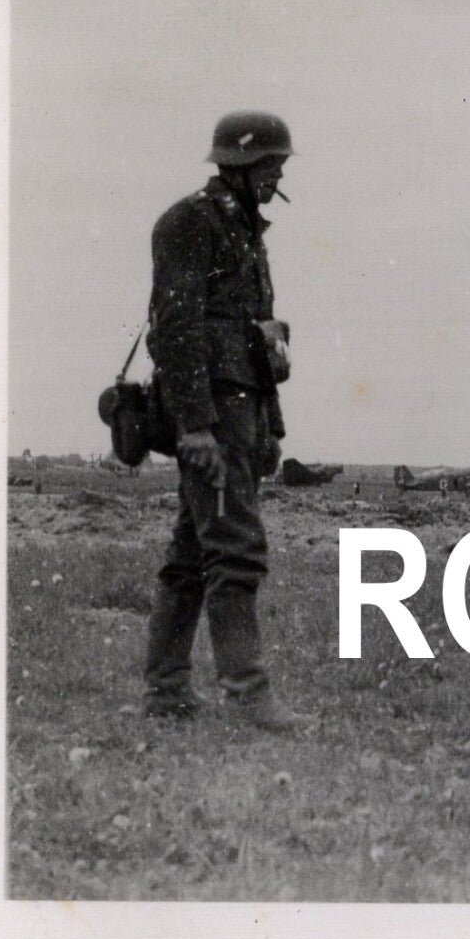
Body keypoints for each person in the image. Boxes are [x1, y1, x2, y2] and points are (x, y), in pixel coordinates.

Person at [142, 111, 297, 731]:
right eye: (271, 166)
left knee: (190, 554)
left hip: (242, 418)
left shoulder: (244, 232)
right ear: (238, 165)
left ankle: (166, 692)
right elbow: (174, 333)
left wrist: (270, 430)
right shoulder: (188, 224)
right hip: (213, 421)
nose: (278, 176)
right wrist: (196, 427)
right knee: (235, 550)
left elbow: (258, 342)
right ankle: (248, 697)